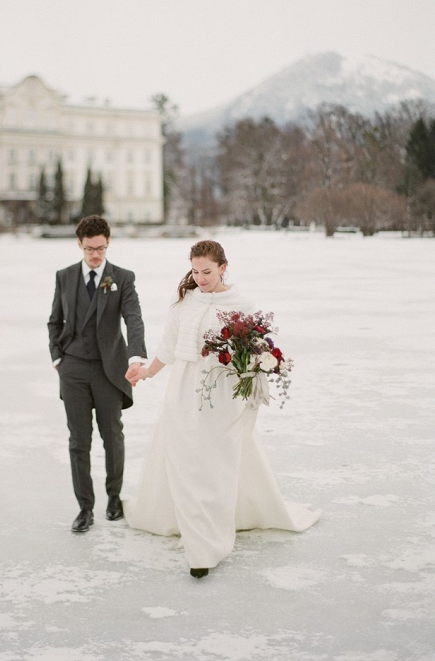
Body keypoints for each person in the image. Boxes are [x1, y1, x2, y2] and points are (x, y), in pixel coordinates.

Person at [124, 239, 321, 578]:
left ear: (223, 267)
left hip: (223, 395)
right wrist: (146, 373)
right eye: (195, 271)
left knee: (215, 465)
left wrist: (263, 366)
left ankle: (210, 538)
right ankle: (198, 545)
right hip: (184, 391)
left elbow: (254, 350)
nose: (201, 278)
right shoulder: (184, 301)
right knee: (184, 461)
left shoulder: (240, 303)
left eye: (208, 272)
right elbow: (169, 348)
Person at [48, 215, 146, 533]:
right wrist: (57, 359)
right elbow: (55, 321)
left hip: (109, 370)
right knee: (79, 441)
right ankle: (85, 508)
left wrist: (134, 356)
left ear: (108, 243)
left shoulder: (122, 277)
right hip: (73, 368)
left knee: (112, 437)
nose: (96, 255)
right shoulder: (64, 277)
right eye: (90, 249)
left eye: (101, 248)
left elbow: (133, 318)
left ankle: (114, 498)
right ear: (79, 244)